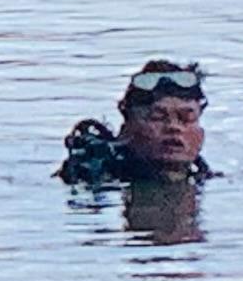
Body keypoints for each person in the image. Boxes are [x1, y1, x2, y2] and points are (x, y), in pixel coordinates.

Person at [61, 60, 212, 187]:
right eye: (157, 118)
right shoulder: (90, 180)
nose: (174, 127)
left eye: (187, 119)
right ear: (127, 129)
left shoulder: (206, 178)